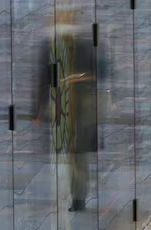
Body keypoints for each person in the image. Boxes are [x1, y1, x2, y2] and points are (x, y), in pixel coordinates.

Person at [33, 15, 104, 213]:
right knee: (77, 156)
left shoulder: (52, 48)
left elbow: (43, 80)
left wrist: (38, 110)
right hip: (78, 110)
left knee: (73, 155)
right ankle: (78, 197)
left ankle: (77, 196)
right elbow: (97, 74)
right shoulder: (82, 46)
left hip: (66, 109)